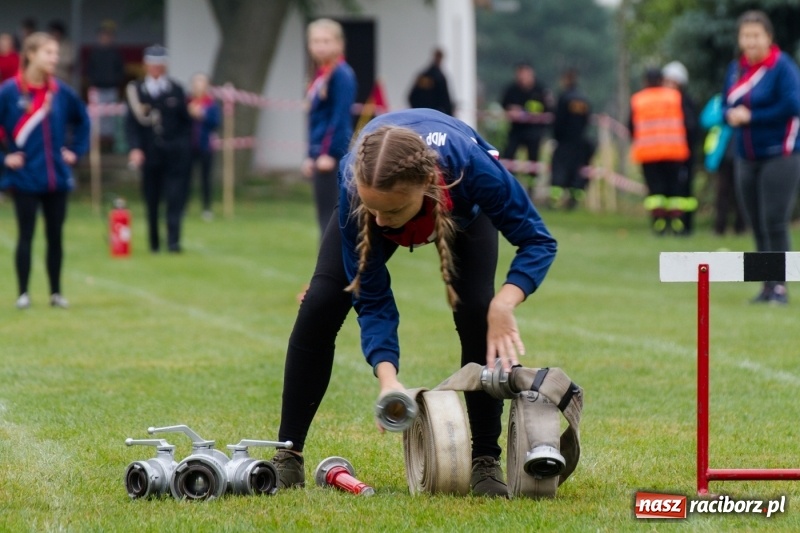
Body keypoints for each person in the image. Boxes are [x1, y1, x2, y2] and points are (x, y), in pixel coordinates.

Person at [270, 108, 557, 498]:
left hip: (463, 212)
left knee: (476, 309)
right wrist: (388, 379)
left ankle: (484, 461)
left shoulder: (472, 168)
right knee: (321, 303)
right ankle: (288, 457)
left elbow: (537, 239)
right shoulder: (358, 189)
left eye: (390, 211)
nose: (381, 223)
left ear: (425, 186)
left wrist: (505, 303)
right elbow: (371, 296)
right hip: (377, 193)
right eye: (373, 210)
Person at [0, 32, 90, 309]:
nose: (55, 58)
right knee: (26, 235)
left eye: (56, 53)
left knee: (55, 236)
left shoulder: (61, 92)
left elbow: (83, 121)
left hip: (56, 178)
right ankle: (23, 294)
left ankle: (55, 293)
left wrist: (75, 151)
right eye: (49, 53)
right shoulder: (9, 91)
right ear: (30, 54)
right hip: (26, 177)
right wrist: (5, 158)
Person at [723, 10, 800, 304]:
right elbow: (723, 102)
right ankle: (765, 285)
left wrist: (752, 116)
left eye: (756, 35)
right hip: (746, 156)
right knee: (755, 222)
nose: (751, 41)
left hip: (780, 154)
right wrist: (729, 115)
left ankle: (780, 286)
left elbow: (793, 105)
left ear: (768, 37)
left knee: (774, 221)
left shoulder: (782, 67)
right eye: (746, 36)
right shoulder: (735, 69)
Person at [125, 44, 192, 253]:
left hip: (174, 153)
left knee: (175, 198)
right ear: (146, 66)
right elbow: (131, 124)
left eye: (160, 64)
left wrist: (183, 146)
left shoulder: (176, 89)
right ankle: (154, 243)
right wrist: (135, 148)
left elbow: (185, 122)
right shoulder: (137, 91)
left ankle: (173, 241)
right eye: (153, 64)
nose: (156, 68)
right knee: (151, 198)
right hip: (150, 152)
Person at [304, 18, 357, 239]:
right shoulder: (321, 74)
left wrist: (328, 153)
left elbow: (339, 118)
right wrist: (310, 154)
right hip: (318, 152)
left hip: (332, 155)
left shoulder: (341, 74)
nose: (320, 46)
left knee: (331, 218)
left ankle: (331, 269)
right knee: (323, 216)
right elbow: (316, 119)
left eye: (326, 41)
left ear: (339, 44)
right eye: (315, 41)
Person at [628, 67, 691, 235]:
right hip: (674, 151)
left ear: (645, 81)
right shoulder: (675, 97)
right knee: (674, 190)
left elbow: (631, 127)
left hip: (648, 153)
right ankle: (677, 224)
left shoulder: (638, 100)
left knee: (655, 191)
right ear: (662, 80)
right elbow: (689, 123)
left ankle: (659, 225)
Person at [500, 62, 552, 199]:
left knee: (533, 160)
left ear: (531, 74)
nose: (522, 77)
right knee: (508, 156)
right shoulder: (512, 89)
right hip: (516, 130)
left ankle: (531, 190)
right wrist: (511, 111)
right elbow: (504, 105)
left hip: (533, 132)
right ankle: (509, 188)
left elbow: (548, 109)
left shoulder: (540, 90)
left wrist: (527, 112)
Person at [662, 61, 699, 235]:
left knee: (684, 192)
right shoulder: (662, 103)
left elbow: (692, 129)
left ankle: (686, 226)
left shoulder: (685, 103)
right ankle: (667, 225)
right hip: (666, 155)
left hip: (684, 156)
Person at [700, 93, 745, 236]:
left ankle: (741, 228)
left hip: (744, 156)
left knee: (742, 193)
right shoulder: (719, 100)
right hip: (722, 156)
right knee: (722, 192)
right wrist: (728, 116)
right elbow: (705, 119)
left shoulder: (749, 99)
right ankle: (720, 228)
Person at [549, 68, 594, 209]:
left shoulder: (564, 98)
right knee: (577, 171)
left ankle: (555, 201)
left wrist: (556, 136)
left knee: (559, 169)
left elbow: (559, 120)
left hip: (565, 141)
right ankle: (574, 200)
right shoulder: (583, 99)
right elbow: (587, 120)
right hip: (579, 141)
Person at [86, 20, 125, 149]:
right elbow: (90, 69)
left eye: (108, 35)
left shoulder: (115, 52)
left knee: (112, 115)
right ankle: (98, 140)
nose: (105, 38)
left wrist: (116, 80)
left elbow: (120, 69)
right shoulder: (95, 52)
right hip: (97, 88)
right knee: (97, 116)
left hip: (112, 87)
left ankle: (110, 140)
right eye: (103, 35)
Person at [187, 72, 220, 220]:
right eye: (196, 83)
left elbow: (216, 123)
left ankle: (206, 208)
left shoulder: (211, 103)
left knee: (206, 178)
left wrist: (202, 115)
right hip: (188, 146)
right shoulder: (187, 102)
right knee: (185, 178)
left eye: (202, 83)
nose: (199, 86)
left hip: (205, 145)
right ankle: (183, 207)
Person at [407, 48, 454, 116]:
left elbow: (412, 97)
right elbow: (445, 101)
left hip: (421, 114)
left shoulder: (423, 75)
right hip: (435, 115)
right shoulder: (439, 77)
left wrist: (417, 110)